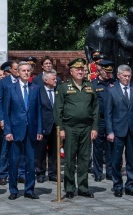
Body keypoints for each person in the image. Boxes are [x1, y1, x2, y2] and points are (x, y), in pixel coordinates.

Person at [54, 58, 98, 199]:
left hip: (86, 128)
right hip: (69, 128)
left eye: (82, 69)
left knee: (85, 159)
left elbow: (96, 109)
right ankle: (69, 188)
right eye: (77, 69)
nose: (80, 71)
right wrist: (60, 128)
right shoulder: (64, 87)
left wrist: (94, 127)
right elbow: (58, 109)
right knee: (70, 159)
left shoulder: (90, 87)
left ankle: (83, 187)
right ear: (71, 71)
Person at [2, 62, 43, 200]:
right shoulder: (10, 88)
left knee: (31, 162)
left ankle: (29, 190)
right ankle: (13, 190)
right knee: (14, 162)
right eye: (23, 71)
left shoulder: (35, 89)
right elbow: (6, 112)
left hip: (31, 130)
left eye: (28, 70)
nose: (26, 73)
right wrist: (7, 131)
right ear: (18, 72)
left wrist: (39, 129)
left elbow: (39, 111)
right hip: (15, 130)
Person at [105, 65, 133, 197]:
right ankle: (117, 186)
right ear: (119, 76)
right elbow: (108, 113)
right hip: (117, 130)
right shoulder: (111, 90)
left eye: (129, 76)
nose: (127, 79)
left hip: (132, 130)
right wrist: (109, 131)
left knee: (131, 160)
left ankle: (130, 185)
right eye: (124, 76)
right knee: (116, 160)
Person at [91, 59, 115, 182]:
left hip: (112, 120)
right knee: (98, 147)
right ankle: (98, 172)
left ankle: (110, 172)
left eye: (110, 72)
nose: (108, 74)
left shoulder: (114, 83)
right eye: (106, 72)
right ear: (100, 71)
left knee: (111, 146)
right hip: (99, 120)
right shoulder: (94, 84)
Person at [0, 60, 18, 185]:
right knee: (5, 147)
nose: (18, 71)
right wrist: (1, 119)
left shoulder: (22, 82)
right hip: (7, 118)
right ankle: (3, 174)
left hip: (19, 119)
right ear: (10, 69)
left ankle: (19, 173)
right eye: (16, 69)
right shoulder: (4, 82)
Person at [35, 69, 58, 184]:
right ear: (46, 80)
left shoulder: (58, 91)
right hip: (43, 125)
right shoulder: (39, 91)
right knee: (41, 151)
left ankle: (53, 173)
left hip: (56, 126)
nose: (56, 80)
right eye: (53, 79)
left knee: (54, 151)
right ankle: (40, 173)